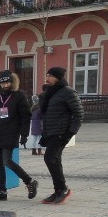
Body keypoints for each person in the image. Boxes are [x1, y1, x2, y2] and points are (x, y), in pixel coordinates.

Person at [0, 70, 38, 201]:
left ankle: (29, 181)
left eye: (7, 82)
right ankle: (2, 191)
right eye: (3, 83)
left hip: (11, 133)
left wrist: (24, 134)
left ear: (12, 82)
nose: (5, 85)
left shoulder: (19, 95)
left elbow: (25, 116)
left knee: (7, 161)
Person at [39, 66, 83, 204]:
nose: (47, 78)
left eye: (50, 76)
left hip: (61, 132)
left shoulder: (68, 92)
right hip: (51, 131)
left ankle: (63, 189)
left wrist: (70, 132)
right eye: (47, 75)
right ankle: (59, 190)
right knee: (54, 159)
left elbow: (78, 113)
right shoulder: (51, 92)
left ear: (58, 77)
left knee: (50, 158)